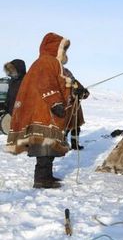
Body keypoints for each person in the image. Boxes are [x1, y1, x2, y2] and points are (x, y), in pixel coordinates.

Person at [6, 32, 75, 189]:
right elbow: (46, 84)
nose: (65, 54)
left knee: (49, 146)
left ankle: (46, 176)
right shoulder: (46, 62)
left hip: (45, 112)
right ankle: (42, 179)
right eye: (63, 49)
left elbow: (57, 82)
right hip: (43, 112)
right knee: (45, 146)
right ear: (55, 48)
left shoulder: (50, 63)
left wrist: (71, 88)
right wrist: (55, 103)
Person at [63, 68, 89, 150]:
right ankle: (63, 145)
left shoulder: (75, 83)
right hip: (66, 109)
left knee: (76, 128)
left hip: (76, 110)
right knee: (65, 128)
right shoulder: (60, 83)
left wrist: (83, 92)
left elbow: (85, 95)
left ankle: (75, 144)